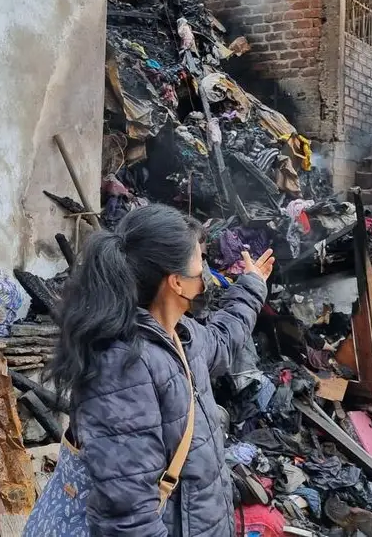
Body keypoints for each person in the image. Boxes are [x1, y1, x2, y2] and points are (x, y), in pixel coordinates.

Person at [46, 203, 273, 537]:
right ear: (176, 282)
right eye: (200, 260)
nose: (206, 272)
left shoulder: (182, 334)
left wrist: (252, 285)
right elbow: (128, 518)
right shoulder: (123, 369)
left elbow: (223, 340)